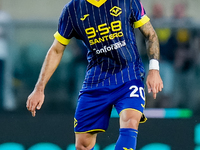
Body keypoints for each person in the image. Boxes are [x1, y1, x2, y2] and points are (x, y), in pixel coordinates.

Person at [26, 0, 163, 149]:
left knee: (130, 120)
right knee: (83, 145)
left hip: (129, 75)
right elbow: (57, 50)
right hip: (96, 80)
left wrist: (154, 69)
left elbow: (150, 35)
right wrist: (39, 88)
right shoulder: (72, 10)